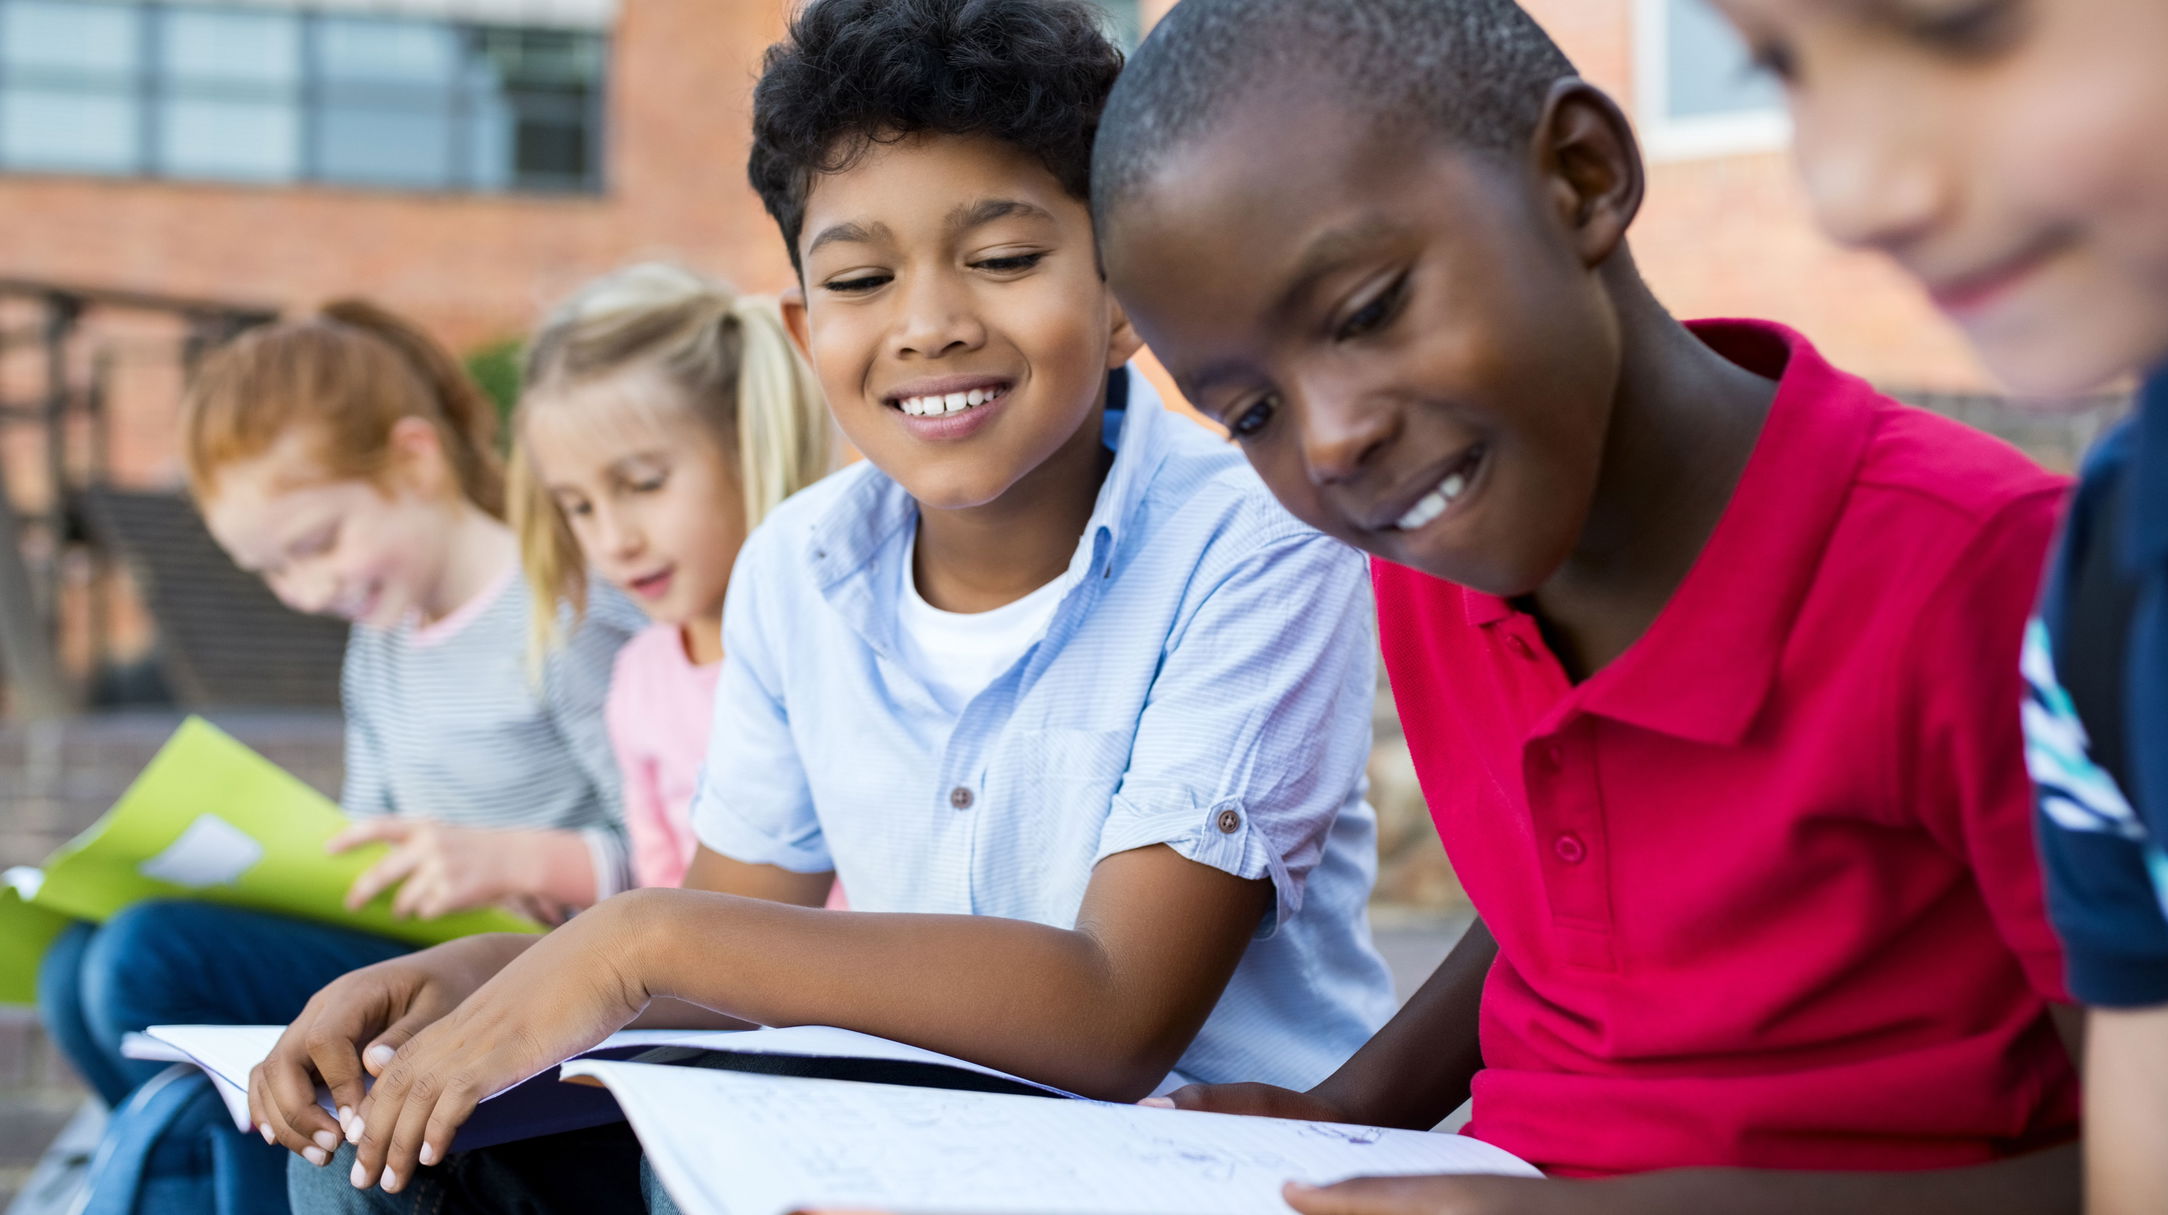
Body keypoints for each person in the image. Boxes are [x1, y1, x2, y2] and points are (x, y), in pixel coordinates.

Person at [270, 1, 1393, 1208]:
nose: (928, 325)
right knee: (382, 1149)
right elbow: (729, 942)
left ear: (1127, 294)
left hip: (1185, 1155)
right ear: (809, 329)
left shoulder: (1258, 540)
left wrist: (635, 939)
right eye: (861, 278)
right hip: (889, 1137)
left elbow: (1117, 1013)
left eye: (1005, 259)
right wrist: (493, 974)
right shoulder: (797, 566)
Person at [1087, 0, 2080, 1211]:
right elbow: (1564, 905)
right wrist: (1350, 1114)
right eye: (1251, 415)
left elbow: (2152, 1161)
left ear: (1580, 177)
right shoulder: (1436, 551)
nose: (1335, 439)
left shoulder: (1992, 580)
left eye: (1365, 312)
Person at [1692, 3, 2168, 1212]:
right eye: (1779, 66)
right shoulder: (2114, 579)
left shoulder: (1993, 548)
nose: (1848, 192)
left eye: (1957, 23)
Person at [35, 300, 638, 1212]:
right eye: (275, 570)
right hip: (402, 947)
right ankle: (190, 1171)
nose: (309, 589)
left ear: (415, 457)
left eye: (318, 544)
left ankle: (208, 1181)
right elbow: (363, 833)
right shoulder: (383, 643)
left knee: (142, 958)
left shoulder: (560, 611)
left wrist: (513, 858)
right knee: (70, 963)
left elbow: (680, 852)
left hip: (521, 965)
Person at [509, 262, 837, 889]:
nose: (613, 541)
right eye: (578, 506)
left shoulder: (838, 648)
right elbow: (661, 889)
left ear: (749, 444)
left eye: (643, 484)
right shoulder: (638, 678)